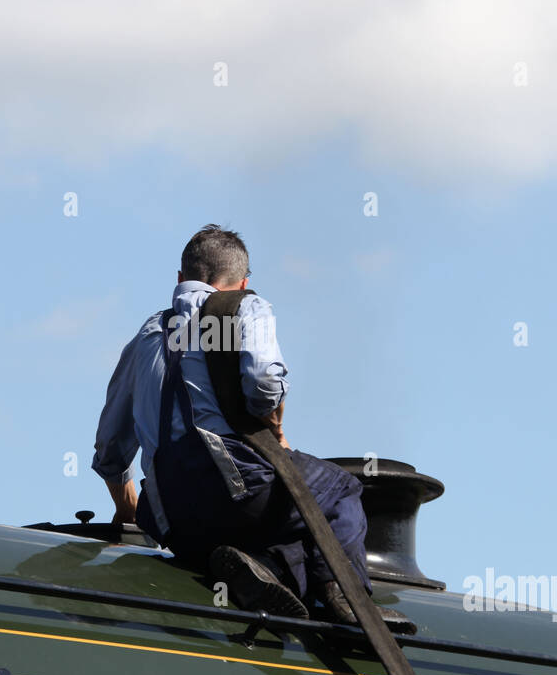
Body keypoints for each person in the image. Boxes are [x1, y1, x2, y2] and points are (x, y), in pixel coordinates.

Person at [91, 225, 375, 625]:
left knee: (287, 533)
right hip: (234, 486)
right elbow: (262, 383)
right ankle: (347, 597)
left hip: (171, 520)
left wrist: (128, 508)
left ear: (179, 279)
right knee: (342, 489)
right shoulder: (246, 306)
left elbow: (110, 448)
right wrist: (271, 423)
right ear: (242, 282)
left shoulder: (145, 338)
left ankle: (261, 568)